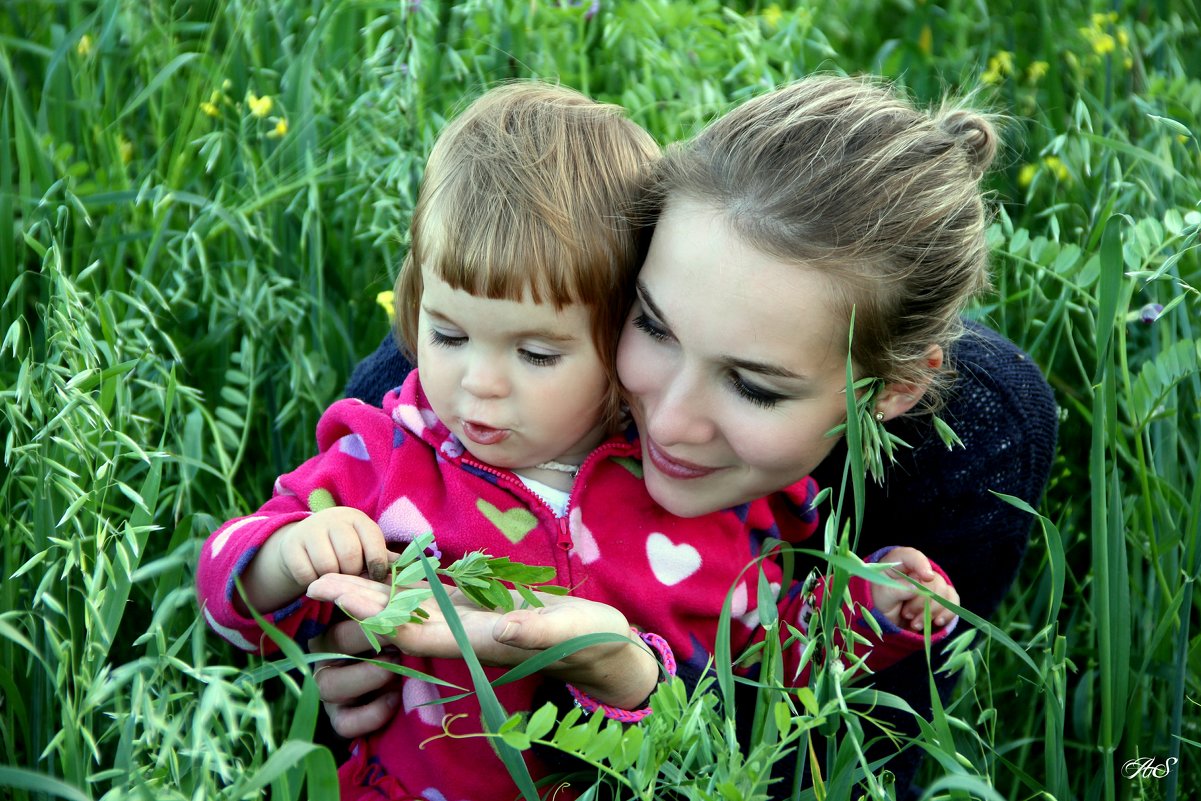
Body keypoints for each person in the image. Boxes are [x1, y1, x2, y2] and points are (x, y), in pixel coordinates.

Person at [196, 79, 961, 801]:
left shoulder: (747, 520)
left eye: (755, 385)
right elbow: (242, 598)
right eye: (654, 328)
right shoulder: (393, 453)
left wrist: (864, 604)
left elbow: (768, 685)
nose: (479, 386)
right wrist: (286, 558)